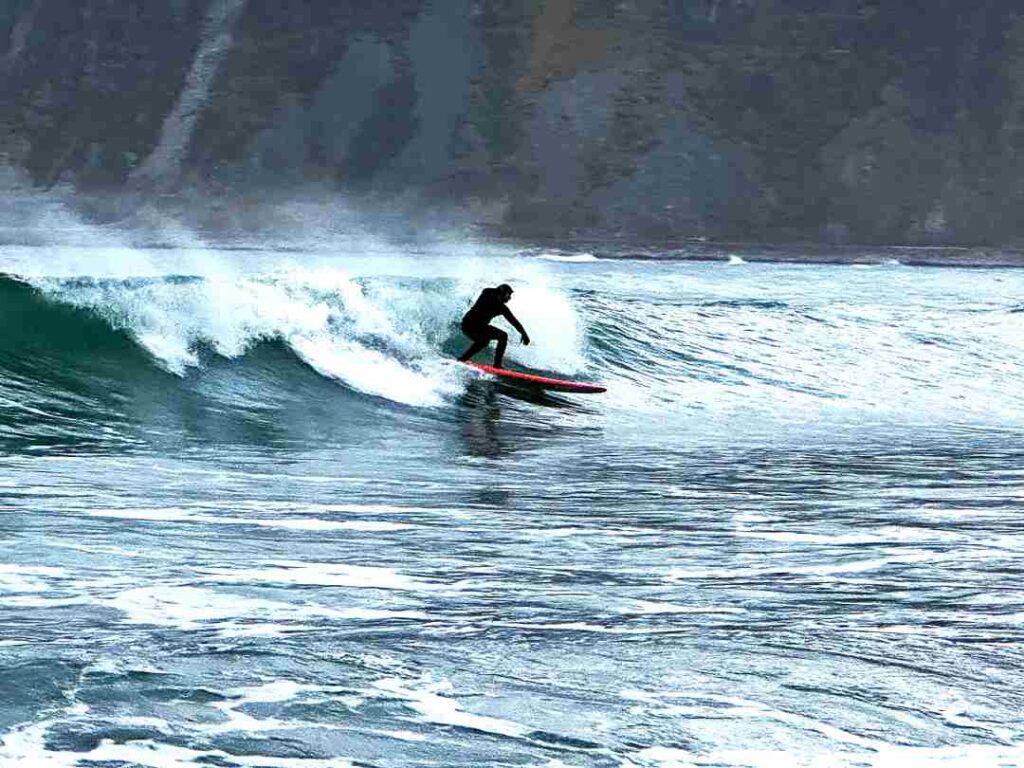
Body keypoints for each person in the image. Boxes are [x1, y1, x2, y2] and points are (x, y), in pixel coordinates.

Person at [458, 283, 530, 368]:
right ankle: (497, 365)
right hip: (469, 325)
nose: (509, 298)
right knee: (502, 336)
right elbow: (490, 291)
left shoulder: (501, 307)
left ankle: (463, 359)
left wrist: (524, 334)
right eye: (508, 295)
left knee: (484, 341)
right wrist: (499, 291)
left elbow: (514, 321)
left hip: (479, 327)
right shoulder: (487, 294)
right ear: (502, 293)